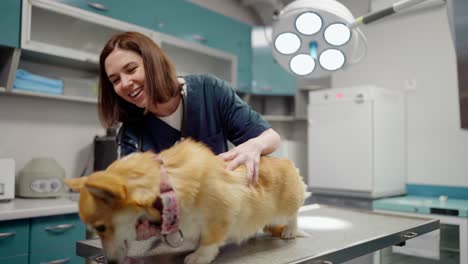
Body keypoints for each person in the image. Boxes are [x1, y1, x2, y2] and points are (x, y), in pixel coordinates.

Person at [98, 31, 281, 186]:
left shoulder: (209, 91)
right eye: (115, 80)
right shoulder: (130, 134)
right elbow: (129, 190)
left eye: (131, 69)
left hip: (221, 218)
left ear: (153, 63)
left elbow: (271, 138)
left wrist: (253, 146)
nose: (125, 83)